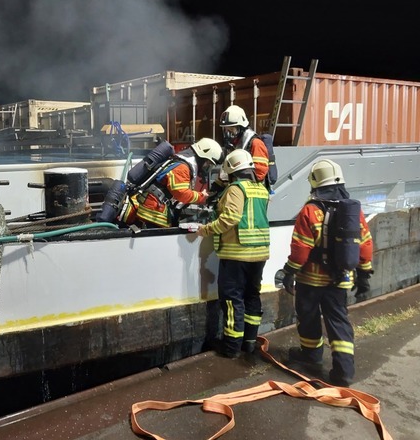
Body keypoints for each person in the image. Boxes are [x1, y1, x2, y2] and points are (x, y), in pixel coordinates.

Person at [275, 159, 374, 386]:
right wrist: (364, 273)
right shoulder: (352, 212)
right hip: (339, 281)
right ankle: (344, 372)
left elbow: (300, 250)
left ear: (315, 183)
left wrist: (289, 272)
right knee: (339, 322)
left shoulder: (310, 211)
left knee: (308, 318)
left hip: (310, 281)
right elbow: (365, 244)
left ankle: (311, 356)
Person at [195, 148, 270, 358]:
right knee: (252, 296)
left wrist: (206, 229)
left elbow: (230, 219)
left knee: (232, 300)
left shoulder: (236, 189)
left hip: (236, 254)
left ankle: (230, 348)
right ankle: (249, 343)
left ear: (231, 169)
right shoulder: (261, 189)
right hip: (260, 253)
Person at [124, 137, 223, 228]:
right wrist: (202, 196)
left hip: (155, 209)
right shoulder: (182, 168)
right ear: (203, 157)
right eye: (208, 164)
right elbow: (181, 193)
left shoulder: (182, 162)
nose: (207, 168)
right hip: (154, 212)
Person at [210, 105, 270, 195]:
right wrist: (218, 185)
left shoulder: (256, 143)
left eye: (231, 129)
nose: (228, 134)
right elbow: (226, 170)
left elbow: (260, 173)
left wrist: (239, 184)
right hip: (238, 193)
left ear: (241, 127)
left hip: (253, 194)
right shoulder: (233, 146)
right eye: (225, 130)